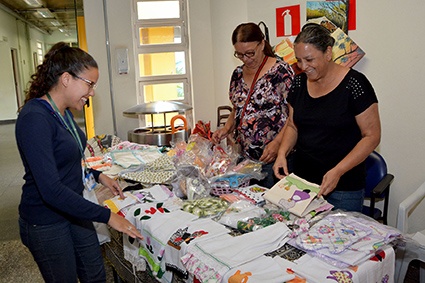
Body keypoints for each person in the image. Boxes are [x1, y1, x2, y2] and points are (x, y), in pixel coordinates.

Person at [15, 42, 143, 283]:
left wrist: (96, 175)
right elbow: (51, 189)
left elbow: (68, 158)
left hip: (72, 209)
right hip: (46, 220)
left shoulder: (63, 111)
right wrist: (107, 216)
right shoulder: (35, 118)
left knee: (95, 275)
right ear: (66, 78)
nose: (92, 92)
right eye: (89, 84)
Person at [273, 23, 381, 212]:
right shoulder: (298, 83)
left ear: (328, 53)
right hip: (302, 183)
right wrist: (282, 153)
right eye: (299, 60)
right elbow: (292, 125)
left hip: (342, 188)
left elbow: (371, 136)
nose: (303, 67)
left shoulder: (355, 85)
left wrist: (338, 171)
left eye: (309, 59)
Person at [212, 22, 294, 188]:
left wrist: (277, 143)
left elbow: (295, 115)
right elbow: (238, 108)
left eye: (250, 53)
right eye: (240, 55)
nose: (246, 59)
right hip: (245, 159)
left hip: (273, 156)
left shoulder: (281, 71)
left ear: (262, 44)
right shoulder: (237, 74)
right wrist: (226, 129)